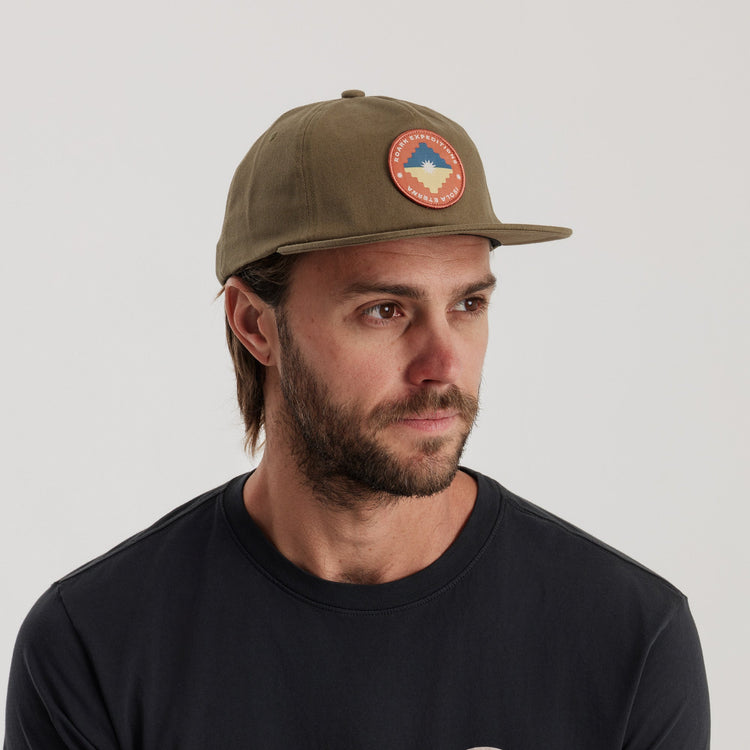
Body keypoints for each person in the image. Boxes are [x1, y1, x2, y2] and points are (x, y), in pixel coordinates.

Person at [5, 90, 709, 748]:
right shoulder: (96, 644)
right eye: (384, 310)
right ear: (254, 324)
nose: (442, 364)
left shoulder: (627, 638)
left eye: (467, 305)